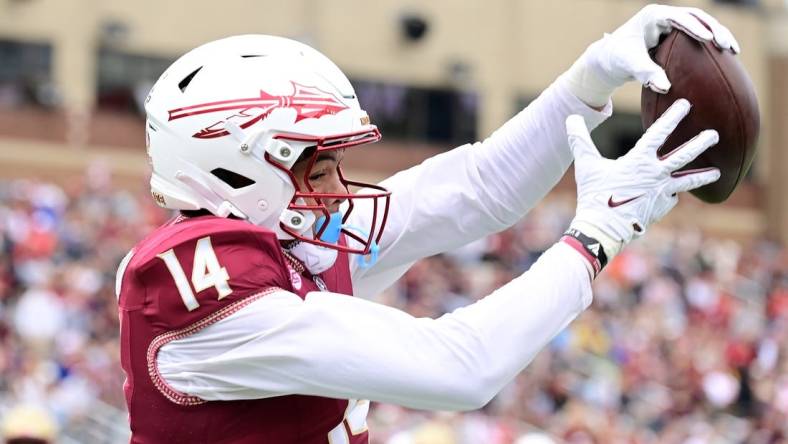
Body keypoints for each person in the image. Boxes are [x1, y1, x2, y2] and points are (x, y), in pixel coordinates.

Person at [115, 5, 738, 443]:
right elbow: (458, 368)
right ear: (239, 168)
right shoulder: (197, 287)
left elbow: (479, 187)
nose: (338, 191)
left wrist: (592, 76)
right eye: (319, 166)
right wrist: (594, 240)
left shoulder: (289, 241)